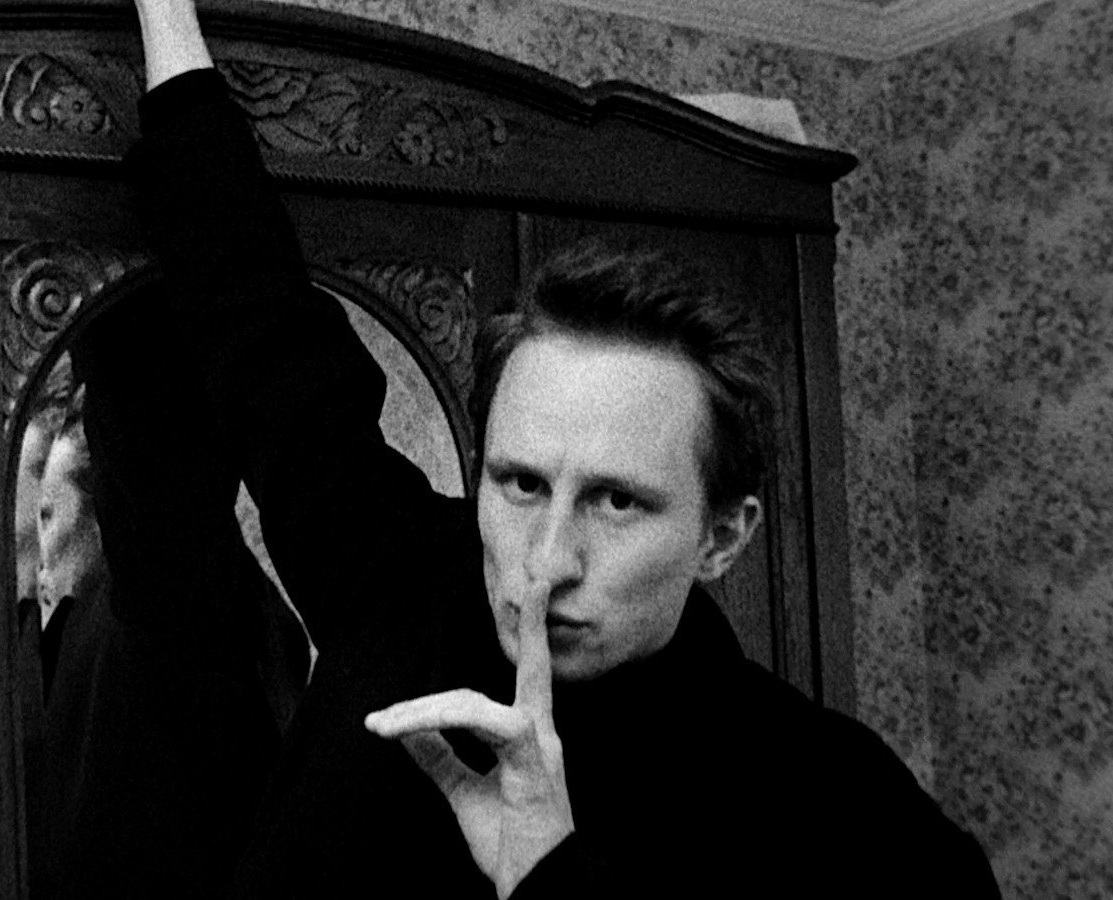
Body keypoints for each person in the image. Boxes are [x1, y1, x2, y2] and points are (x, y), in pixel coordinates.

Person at [118, 0, 1002, 897]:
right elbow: (256, 314)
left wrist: (551, 877)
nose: (545, 564)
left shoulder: (839, 810)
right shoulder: (399, 577)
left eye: (617, 501)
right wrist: (164, 13)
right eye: (521, 484)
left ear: (724, 535)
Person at [17, 295, 310, 897]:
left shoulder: (150, 613)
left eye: (49, 516)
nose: (41, 551)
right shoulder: (78, 631)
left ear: (103, 505)